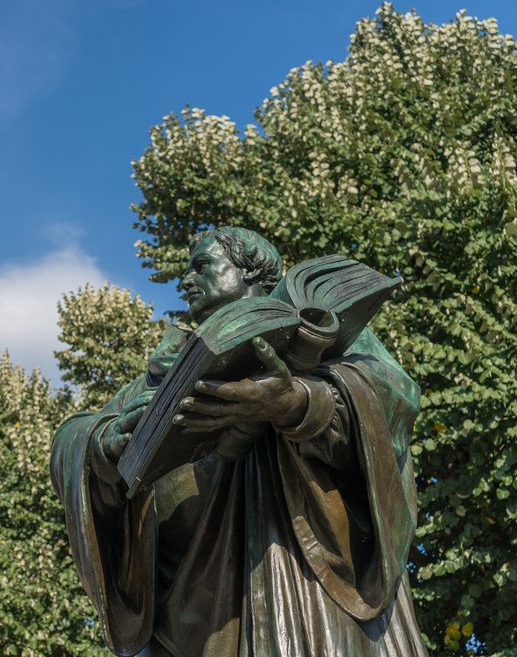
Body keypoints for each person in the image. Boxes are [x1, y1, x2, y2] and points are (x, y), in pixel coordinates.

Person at [50, 227, 428, 656]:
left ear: (252, 273)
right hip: (188, 609)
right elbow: (70, 439)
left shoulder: (325, 332)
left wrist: (296, 403)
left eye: (202, 266)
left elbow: (393, 397)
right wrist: (104, 443)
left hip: (299, 578)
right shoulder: (162, 375)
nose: (186, 281)